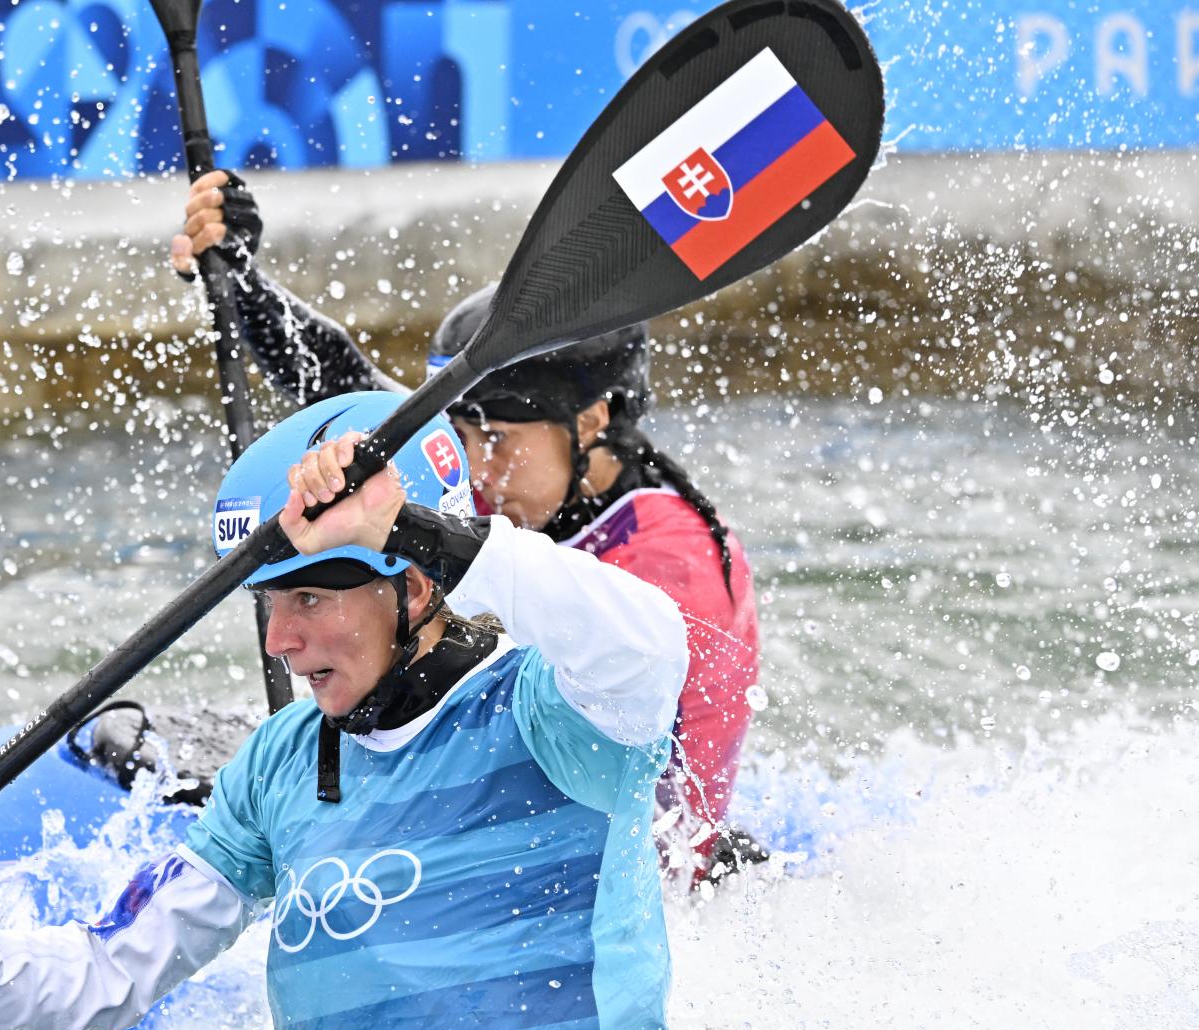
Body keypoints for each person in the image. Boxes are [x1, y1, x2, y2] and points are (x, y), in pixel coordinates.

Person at [0, 390, 688, 1030]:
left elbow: (649, 647)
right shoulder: (280, 763)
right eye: (267, 605)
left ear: (415, 589)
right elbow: (104, 976)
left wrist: (409, 525)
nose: (284, 642)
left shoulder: (549, 714)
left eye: (306, 597)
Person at [171, 171, 764, 884]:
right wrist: (241, 283)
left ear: (591, 422)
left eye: (500, 441)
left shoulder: (669, 564)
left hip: (634, 878)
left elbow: (609, 769)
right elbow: (353, 403)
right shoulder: (526, 485)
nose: (474, 471)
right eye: (464, 435)